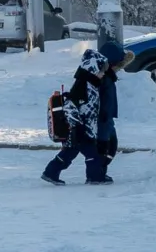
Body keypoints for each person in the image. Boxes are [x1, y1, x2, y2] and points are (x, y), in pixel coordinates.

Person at [43, 51, 113, 185]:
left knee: (69, 153)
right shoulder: (82, 85)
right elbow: (70, 106)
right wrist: (77, 126)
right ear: (93, 68)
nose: (103, 73)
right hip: (80, 130)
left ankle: (50, 172)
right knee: (92, 154)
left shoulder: (91, 84)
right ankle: (95, 177)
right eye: (101, 69)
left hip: (85, 128)